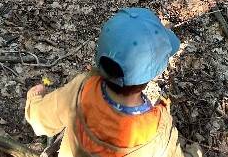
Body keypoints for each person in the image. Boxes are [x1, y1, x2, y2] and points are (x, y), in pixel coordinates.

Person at [25, 8, 186, 157]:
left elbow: (41, 120)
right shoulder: (158, 131)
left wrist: (35, 98)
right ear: (153, 72)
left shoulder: (82, 89)